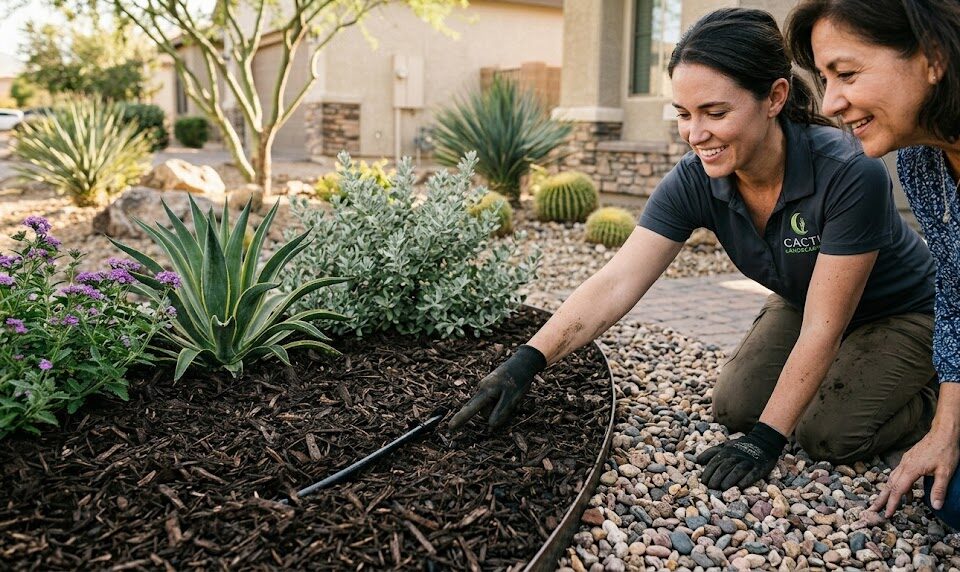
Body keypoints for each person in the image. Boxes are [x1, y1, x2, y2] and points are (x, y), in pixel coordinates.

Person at [449, 7, 939, 492]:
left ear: (774, 97)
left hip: (903, 312)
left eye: (716, 112)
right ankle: (859, 374)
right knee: (736, 407)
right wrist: (525, 363)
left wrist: (764, 443)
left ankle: (937, 397)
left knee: (825, 434)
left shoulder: (848, 172)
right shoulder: (696, 178)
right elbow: (616, 281)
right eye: (684, 114)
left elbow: (824, 326)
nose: (696, 135)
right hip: (805, 300)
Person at [786, 0, 960, 528]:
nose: (832, 103)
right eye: (822, 79)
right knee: (946, 501)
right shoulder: (921, 160)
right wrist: (946, 428)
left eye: (846, 73)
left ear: (932, 57)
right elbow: (954, 294)